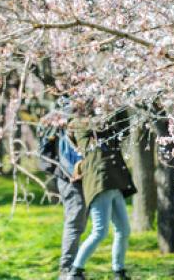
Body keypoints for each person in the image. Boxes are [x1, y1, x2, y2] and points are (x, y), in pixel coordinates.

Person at [66, 109, 135, 280]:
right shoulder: (79, 124)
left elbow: (123, 129)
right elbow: (100, 124)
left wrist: (121, 107)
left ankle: (118, 271)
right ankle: (75, 270)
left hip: (114, 181)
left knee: (123, 229)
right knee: (100, 231)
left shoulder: (105, 128)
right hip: (100, 182)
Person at [39, 97, 89, 280]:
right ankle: (68, 270)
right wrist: (62, 171)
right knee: (75, 221)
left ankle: (75, 268)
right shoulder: (60, 120)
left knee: (80, 222)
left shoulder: (81, 115)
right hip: (69, 179)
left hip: (82, 177)